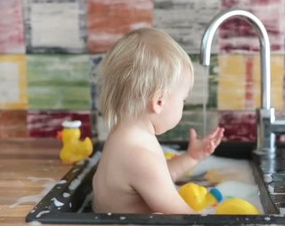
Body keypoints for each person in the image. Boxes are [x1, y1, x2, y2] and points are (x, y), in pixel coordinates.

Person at [92, 28, 224, 214]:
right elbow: (184, 218)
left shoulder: (122, 137)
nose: (183, 105)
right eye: (182, 100)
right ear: (159, 102)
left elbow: (154, 180)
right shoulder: (138, 155)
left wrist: (190, 158)